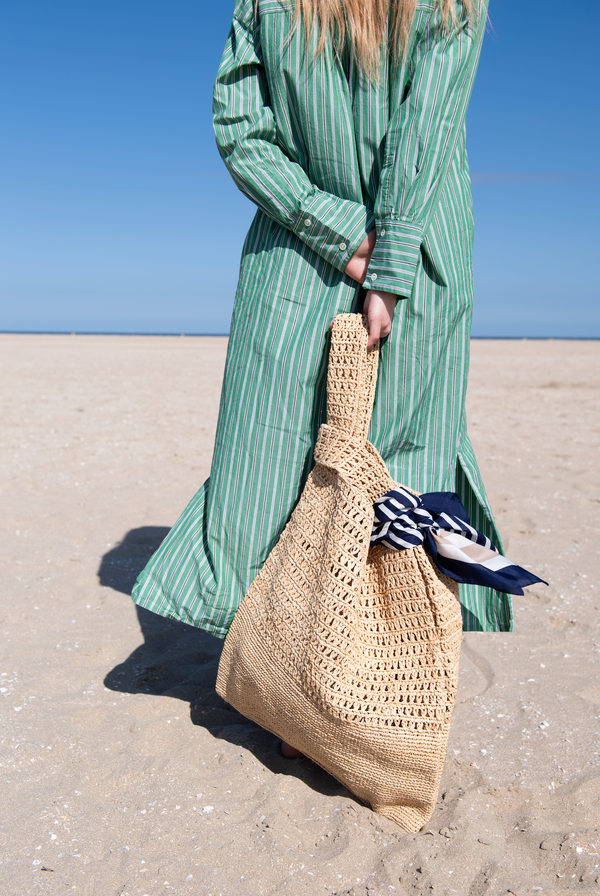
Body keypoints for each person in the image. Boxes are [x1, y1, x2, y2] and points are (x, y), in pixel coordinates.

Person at [132, 0, 511, 734]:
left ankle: (286, 695)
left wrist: (337, 231)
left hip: (294, 261)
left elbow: (242, 133)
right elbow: (424, 135)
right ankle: (366, 695)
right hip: (420, 263)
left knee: (268, 472)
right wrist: (390, 260)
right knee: (401, 468)